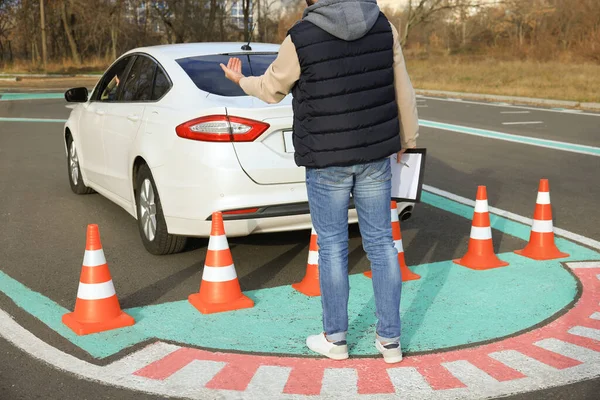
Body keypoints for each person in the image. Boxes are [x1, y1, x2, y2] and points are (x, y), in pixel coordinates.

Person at [221, 0, 419, 364]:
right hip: (375, 154)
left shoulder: (302, 36)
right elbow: (401, 87)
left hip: (326, 159)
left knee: (332, 247)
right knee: (382, 244)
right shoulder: (383, 26)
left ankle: (336, 339)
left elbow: (271, 89)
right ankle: (390, 341)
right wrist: (408, 139)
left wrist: (240, 80)